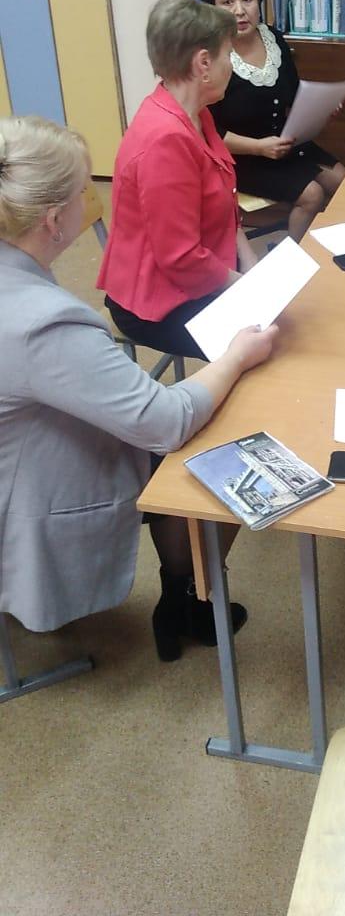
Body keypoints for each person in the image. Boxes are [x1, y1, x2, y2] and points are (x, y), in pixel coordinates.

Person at [0, 116, 278, 661]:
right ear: (53, 220)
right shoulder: (43, 322)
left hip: (20, 439)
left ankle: (184, 598)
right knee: (220, 441)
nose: (90, 201)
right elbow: (166, 422)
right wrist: (236, 356)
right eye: (84, 192)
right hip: (26, 485)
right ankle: (188, 602)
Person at [99, 0, 257, 359]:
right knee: (260, 346)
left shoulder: (197, 114)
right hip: (157, 301)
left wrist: (249, 261)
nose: (232, 66)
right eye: (228, 55)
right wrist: (243, 287)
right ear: (203, 63)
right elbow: (180, 258)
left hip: (197, 273)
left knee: (280, 324)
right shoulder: (165, 142)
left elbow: (224, 201)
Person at [201, 0, 345, 241]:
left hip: (283, 145)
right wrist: (258, 147)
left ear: (259, 1)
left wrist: (320, 111)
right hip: (242, 157)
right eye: (227, 2)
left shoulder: (272, 38)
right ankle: (293, 260)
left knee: (344, 181)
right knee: (312, 195)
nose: (240, 11)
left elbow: (293, 95)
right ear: (212, 8)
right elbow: (208, 133)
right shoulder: (211, 56)